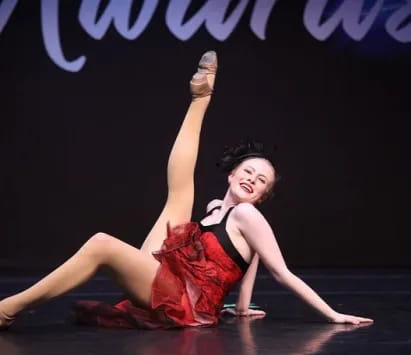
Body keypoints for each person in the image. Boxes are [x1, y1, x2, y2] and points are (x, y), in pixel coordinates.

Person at [0, 51, 373, 330]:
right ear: (231, 174)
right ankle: (199, 100)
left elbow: (282, 273)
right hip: (176, 284)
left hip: (186, 304)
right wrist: (241, 308)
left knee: (102, 243)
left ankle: (8, 308)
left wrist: (333, 315)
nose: (251, 180)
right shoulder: (219, 210)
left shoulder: (247, 214)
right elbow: (253, 262)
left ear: (261, 197)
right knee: (179, 199)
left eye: (260, 182)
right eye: (248, 172)